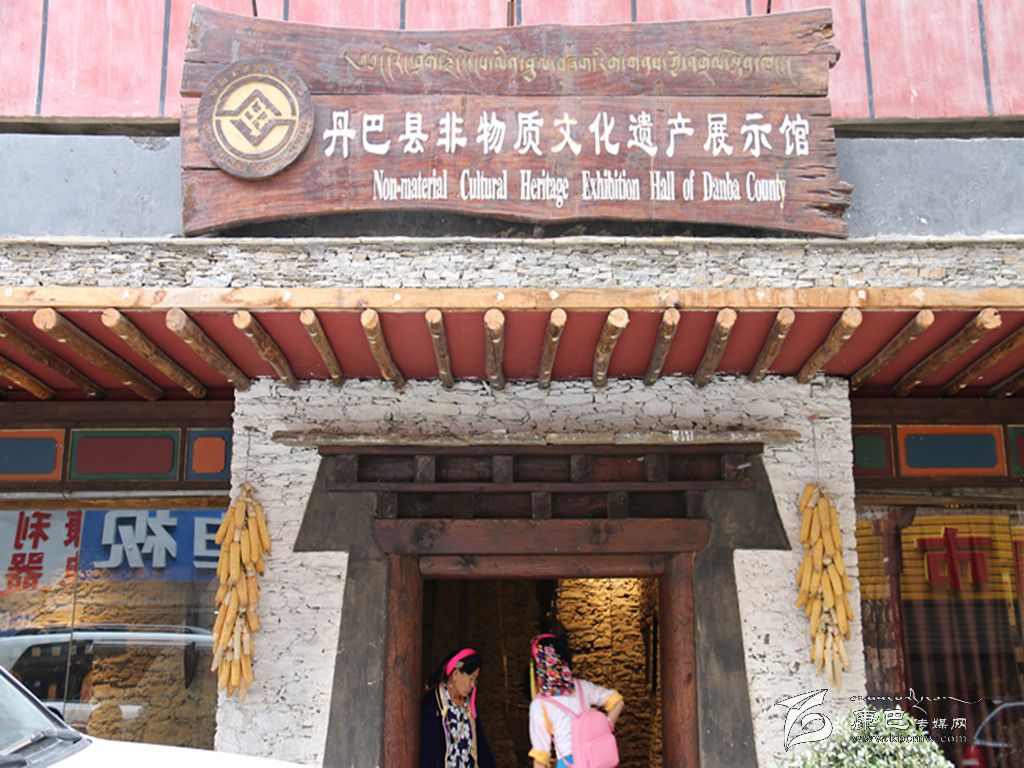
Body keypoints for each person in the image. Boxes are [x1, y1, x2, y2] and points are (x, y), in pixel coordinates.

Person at [527, 633, 625, 768]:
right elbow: (618, 701)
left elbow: (540, 758)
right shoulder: (582, 687)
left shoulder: (540, 704)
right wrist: (606, 726)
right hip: (596, 760)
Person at [420, 647, 496, 768]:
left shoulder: (468, 708)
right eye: (471, 679)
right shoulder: (433, 706)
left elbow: (482, 750)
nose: (473, 685)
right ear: (455, 674)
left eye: (475, 680)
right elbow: (428, 757)